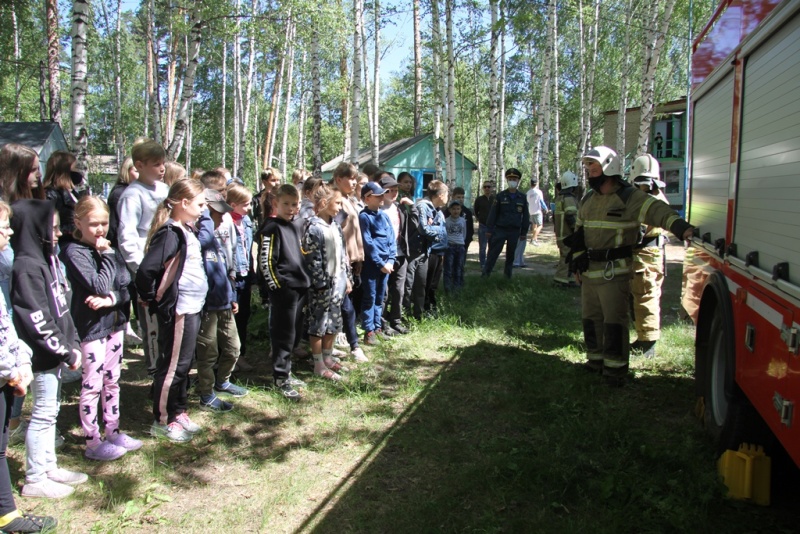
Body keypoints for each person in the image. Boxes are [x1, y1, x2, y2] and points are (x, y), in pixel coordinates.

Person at [567, 146, 693, 387]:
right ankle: (595, 362)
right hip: (590, 271)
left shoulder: (630, 197)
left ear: (610, 169)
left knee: (614, 321)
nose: (590, 174)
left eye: (595, 169)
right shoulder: (589, 199)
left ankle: (615, 371)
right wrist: (577, 260)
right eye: (588, 170)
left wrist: (681, 228)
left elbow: (659, 212)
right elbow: (579, 231)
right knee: (591, 318)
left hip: (614, 271)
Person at [11, 200, 87, 498]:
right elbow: (37, 318)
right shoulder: (27, 266)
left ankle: (48, 466)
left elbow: (62, 309)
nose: (58, 233)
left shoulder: (48, 261)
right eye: (52, 228)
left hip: (58, 351)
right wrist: (64, 350)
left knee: (51, 410)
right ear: (35, 228)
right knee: (42, 413)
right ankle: (34, 477)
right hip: (43, 354)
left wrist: (74, 343)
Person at [60, 196, 143, 461]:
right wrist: (107, 257)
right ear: (78, 223)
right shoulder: (75, 252)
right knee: (92, 384)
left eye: (104, 223)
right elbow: (98, 283)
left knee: (113, 381)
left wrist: (111, 299)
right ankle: (92, 441)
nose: (100, 230)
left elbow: (124, 283)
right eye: (93, 224)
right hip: (91, 328)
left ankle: (113, 430)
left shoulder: (108, 248)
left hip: (114, 323)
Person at [0, 200, 58, 531]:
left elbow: (8, 326)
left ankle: (8, 514)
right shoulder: (24, 266)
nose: (9, 232)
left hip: (13, 365)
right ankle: (15, 507)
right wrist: (13, 367)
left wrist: (19, 360)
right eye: (3, 227)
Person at [136, 179, 207, 442]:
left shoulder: (186, 229)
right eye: (199, 204)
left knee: (184, 365)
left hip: (192, 308)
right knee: (173, 367)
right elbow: (146, 271)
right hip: (179, 310)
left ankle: (178, 411)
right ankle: (163, 420)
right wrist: (151, 299)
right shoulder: (170, 233)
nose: (203, 208)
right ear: (183, 203)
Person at [117, 139, 169, 374]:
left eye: (163, 163)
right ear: (139, 165)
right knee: (151, 318)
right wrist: (141, 270)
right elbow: (126, 236)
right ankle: (155, 366)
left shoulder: (164, 190)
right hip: (147, 264)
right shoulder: (132, 195)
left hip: (168, 261)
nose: (162, 168)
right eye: (156, 164)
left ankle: (168, 364)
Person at [196, 189, 247, 413]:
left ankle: (222, 381)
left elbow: (225, 271)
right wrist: (206, 216)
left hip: (225, 303)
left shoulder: (215, 242)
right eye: (216, 214)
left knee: (233, 348)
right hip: (208, 307)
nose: (221, 218)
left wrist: (232, 296)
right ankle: (206, 393)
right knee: (208, 352)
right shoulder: (200, 240)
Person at [260, 185, 312, 399]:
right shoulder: (271, 228)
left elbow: (300, 253)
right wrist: (277, 288)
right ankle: (280, 377)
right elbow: (266, 262)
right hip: (285, 291)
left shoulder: (296, 225)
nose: (291, 209)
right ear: (275, 204)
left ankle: (287, 372)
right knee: (283, 334)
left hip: (300, 288)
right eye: (286, 204)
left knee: (295, 334)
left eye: (295, 204)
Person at [303, 184, 351, 380]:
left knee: (333, 320)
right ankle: (318, 364)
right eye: (337, 203)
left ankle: (328, 357)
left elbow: (342, 254)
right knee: (319, 322)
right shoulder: (314, 227)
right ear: (324, 203)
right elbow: (312, 259)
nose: (340, 207)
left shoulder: (335, 225)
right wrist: (320, 283)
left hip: (337, 283)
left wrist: (346, 277)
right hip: (322, 286)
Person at [630, 154, 670, 358]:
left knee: (645, 295)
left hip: (645, 254)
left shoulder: (649, 201)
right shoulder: (657, 196)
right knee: (645, 294)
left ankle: (647, 344)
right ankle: (644, 337)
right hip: (651, 253)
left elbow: (637, 232)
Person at [331, 162, 368, 362]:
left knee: (350, 303)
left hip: (353, 261)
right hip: (340, 263)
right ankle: (353, 344)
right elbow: (337, 234)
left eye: (356, 179)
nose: (354, 183)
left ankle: (343, 337)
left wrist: (358, 258)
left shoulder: (349, 199)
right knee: (346, 305)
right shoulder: (337, 201)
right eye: (350, 179)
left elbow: (354, 233)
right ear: (338, 179)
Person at [359, 182, 396, 345]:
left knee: (380, 298)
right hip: (372, 266)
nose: (382, 197)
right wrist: (381, 263)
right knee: (370, 297)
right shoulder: (364, 217)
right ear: (367, 198)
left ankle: (377, 327)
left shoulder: (384, 216)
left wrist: (391, 260)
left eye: (383, 194)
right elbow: (368, 243)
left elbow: (391, 239)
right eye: (378, 195)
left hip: (386, 266)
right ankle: (369, 331)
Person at [226, 183, 256, 370]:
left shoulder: (246, 221)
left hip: (245, 274)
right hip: (232, 275)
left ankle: (241, 354)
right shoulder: (224, 222)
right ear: (232, 204)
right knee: (229, 319)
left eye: (250, 203)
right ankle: (227, 357)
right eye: (245, 204)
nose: (249, 207)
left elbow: (248, 248)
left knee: (243, 316)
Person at [379, 174, 414, 335]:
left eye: (395, 190)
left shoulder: (399, 209)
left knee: (399, 290)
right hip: (385, 257)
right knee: (384, 291)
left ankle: (396, 320)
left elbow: (412, 226)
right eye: (389, 191)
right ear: (381, 192)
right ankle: (381, 321)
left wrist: (411, 207)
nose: (393, 193)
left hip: (400, 254)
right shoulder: (377, 210)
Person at [411, 180, 448, 320]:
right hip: (429, 251)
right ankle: (422, 311)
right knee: (424, 284)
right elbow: (424, 228)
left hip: (438, 251)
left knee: (433, 284)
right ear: (440, 195)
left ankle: (429, 309)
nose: (447, 197)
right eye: (446, 194)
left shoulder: (438, 210)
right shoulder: (424, 207)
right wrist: (441, 230)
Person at [483, 169, 530, 278]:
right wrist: (489, 229)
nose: (512, 181)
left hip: (514, 231)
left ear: (518, 181)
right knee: (493, 253)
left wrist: (524, 232)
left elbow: (526, 216)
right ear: (507, 180)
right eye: (510, 179)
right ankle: (485, 275)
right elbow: (493, 214)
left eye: (514, 179)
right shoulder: (500, 196)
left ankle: (507, 277)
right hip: (500, 230)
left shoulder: (522, 197)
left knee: (510, 256)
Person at [43, 151, 82, 246]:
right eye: (75, 168)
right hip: (64, 246)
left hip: (75, 243)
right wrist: (77, 229)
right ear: (65, 171)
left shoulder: (73, 193)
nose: (78, 172)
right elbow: (49, 225)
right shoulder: (50, 194)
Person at [553, 171, 580, 287]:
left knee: (568, 256)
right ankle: (560, 280)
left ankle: (570, 279)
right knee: (566, 257)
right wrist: (577, 230)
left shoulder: (560, 198)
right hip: (567, 234)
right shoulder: (569, 199)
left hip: (561, 233)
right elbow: (571, 215)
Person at [443, 200, 466, 292]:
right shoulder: (446, 221)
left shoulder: (463, 221)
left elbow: (464, 233)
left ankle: (457, 288)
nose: (456, 211)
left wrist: (461, 242)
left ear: (460, 210)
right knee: (448, 268)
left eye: (458, 209)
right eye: (453, 209)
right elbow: (444, 234)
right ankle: (447, 289)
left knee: (459, 268)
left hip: (460, 246)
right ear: (449, 210)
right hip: (449, 246)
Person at [472, 180, 495, 269]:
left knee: (492, 246)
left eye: (488, 187)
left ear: (491, 188)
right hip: (483, 226)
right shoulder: (479, 199)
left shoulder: (495, 199)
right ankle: (483, 264)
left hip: (493, 226)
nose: (487, 188)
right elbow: (475, 211)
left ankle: (490, 264)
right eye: (485, 187)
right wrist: (479, 219)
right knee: (483, 246)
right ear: (483, 188)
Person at [525, 179, 548, 246]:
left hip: (531, 211)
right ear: (536, 184)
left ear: (530, 184)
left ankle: (535, 240)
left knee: (534, 225)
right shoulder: (538, 192)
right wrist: (546, 208)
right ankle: (533, 239)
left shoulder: (528, 193)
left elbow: (527, 202)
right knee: (540, 225)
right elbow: (541, 201)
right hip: (537, 211)